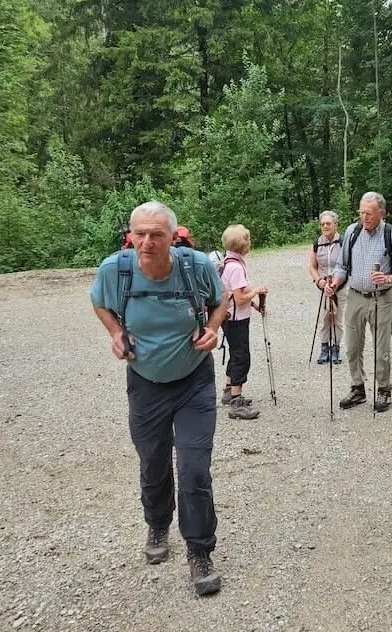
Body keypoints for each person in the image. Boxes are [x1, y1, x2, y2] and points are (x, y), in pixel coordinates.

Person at [89, 200, 226, 596]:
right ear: (131, 235)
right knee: (152, 461)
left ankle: (199, 551)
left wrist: (213, 329)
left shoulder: (195, 265)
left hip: (193, 382)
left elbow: (220, 301)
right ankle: (158, 521)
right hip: (146, 383)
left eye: (157, 235)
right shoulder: (116, 269)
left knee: (195, 469)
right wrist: (115, 333)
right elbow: (99, 302)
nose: (147, 242)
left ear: (172, 237)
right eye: (140, 234)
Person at [325, 192, 392, 412]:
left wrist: (388, 278)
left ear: (382, 212)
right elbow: (342, 266)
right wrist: (334, 283)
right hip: (355, 295)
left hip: (382, 298)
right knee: (352, 347)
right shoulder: (352, 232)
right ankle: (358, 387)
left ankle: (383, 389)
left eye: (369, 213)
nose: (364, 217)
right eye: (361, 212)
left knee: (382, 349)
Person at [218, 224, 265, 420]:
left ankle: (229, 391)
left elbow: (237, 294)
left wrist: (254, 305)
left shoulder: (228, 262)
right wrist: (257, 291)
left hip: (228, 317)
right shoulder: (236, 267)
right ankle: (236, 401)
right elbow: (239, 298)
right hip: (236, 318)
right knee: (241, 357)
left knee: (235, 353)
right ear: (242, 244)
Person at [308, 211, 344, 365]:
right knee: (324, 317)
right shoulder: (317, 243)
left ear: (336, 225)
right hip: (323, 286)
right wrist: (319, 282)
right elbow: (312, 266)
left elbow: (347, 265)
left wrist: (335, 283)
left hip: (340, 285)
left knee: (337, 318)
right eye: (322, 224)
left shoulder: (343, 242)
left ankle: (336, 348)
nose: (325, 226)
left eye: (328, 223)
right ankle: (324, 348)